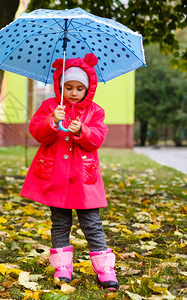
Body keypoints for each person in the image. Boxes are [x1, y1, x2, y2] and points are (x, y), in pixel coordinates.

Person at [20, 53, 119, 290]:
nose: (74, 93)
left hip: (84, 180)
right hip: (56, 177)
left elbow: (96, 139)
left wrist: (82, 130)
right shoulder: (50, 106)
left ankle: (105, 268)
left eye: (79, 88)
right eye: (69, 87)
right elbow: (38, 133)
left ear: (88, 89)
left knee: (92, 223)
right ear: (60, 86)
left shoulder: (95, 112)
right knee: (60, 222)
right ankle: (62, 267)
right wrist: (51, 121)